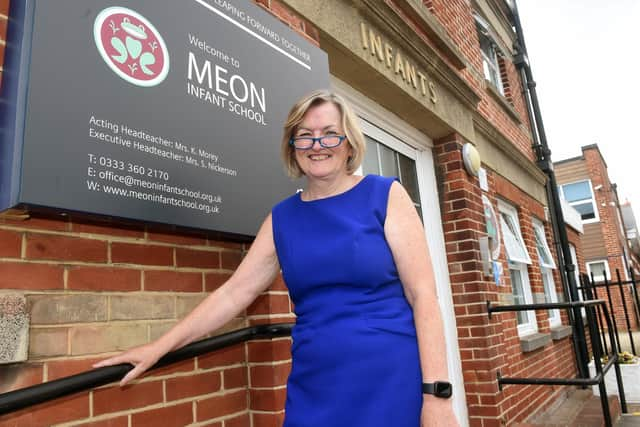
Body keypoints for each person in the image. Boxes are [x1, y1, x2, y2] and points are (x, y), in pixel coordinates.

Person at [95, 90, 458, 426]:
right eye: (305, 135)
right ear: (292, 146)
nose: (317, 144)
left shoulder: (385, 195)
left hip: (392, 378)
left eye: (330, 133)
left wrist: (437, 395)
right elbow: (234, 293)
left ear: (349, 144)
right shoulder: (282, 218)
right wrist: (158, 347)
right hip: (315, 383)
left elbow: (423, 296)